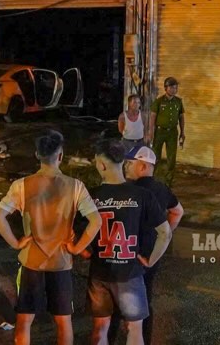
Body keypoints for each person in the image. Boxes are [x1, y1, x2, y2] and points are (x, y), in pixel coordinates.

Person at [0, 130, 101, 345]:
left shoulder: (21, 186)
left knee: (24, 321)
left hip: (31, 262)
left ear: (37, 155)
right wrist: (77, 248)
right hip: (61, 263)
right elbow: (95, 221)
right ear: (60, 155)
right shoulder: (76, 186)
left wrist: (16, 243)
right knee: (63, 322)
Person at [87, 139, 172, 345]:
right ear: (122, 162)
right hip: (130, 274)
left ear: (101, 164)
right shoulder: (142, 195)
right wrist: (151, 261)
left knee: (101, 328)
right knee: (134, 329)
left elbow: (77, 234)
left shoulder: (91, 196)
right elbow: (165, 233)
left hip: (100, 273)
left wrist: (82, 251)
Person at [118, 144, 183, 344]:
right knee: (145, 297)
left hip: (130, 253)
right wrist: (165, 234)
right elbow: (178, 211)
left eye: (130, 163)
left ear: (143, 166)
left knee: (123, 300)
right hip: (152, 253)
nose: (126, 167)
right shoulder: (162, 189)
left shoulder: (129, 189)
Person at [147, 77, 185, 187]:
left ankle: (168, 182)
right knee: (155, 157)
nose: (174, 90)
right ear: (165, 88)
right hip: (159, 132)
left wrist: (182, 132)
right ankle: (151, 179)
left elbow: (181, 117)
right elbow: (153, 118)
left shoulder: (178, 101)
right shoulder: (159, 101)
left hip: (172, 133)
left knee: (171, 158)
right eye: (172, 87)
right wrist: (151, 132)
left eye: (176, 88)